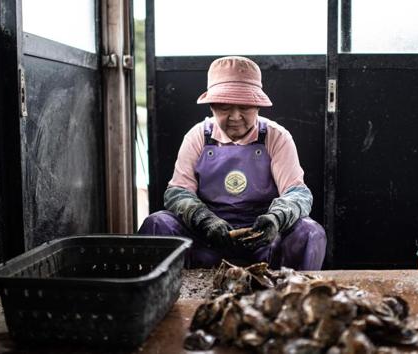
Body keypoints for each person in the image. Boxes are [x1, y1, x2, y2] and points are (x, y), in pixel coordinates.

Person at [138, 56, 326, 270]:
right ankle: (165, 296)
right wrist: (205, 220)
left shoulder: (277, 137)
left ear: (258, 106)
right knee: (157, 223)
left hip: (263, 239)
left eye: (245, 107)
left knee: (310, 232)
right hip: (209, 236)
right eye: (224, 107)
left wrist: (275, 219)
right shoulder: (198, 136)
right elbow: (177, 192)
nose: (235, 116)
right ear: (211, 106)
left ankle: (291, 299)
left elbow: (298, 193)